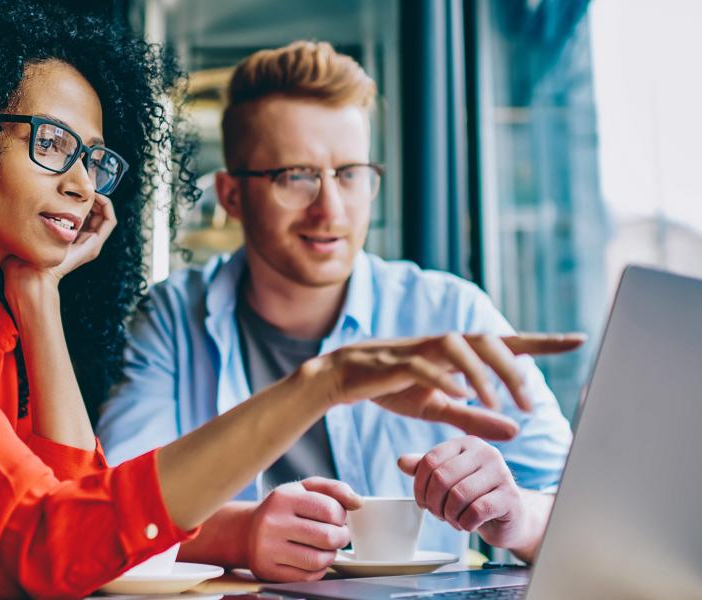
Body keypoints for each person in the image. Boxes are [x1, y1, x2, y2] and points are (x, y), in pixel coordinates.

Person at [0, 6, 581, 599]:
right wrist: (322, 383)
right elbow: (43, 545)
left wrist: (37, 297)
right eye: (52, 144)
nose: (81, 182)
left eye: (96, 159)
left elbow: (69, 504)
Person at [98, 40, 578, 583]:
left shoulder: (450, 311)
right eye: (296, 176)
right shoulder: (172, 316)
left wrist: (516, 516)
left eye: (350, 173)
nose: (331, 208)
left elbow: (584, 512)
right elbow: (110, 511)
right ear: (231, 196)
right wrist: (241, 532)